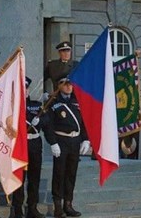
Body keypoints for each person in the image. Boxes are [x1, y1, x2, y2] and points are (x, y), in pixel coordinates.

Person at [43, 77, 89, 218]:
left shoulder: (77, 101)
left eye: (71, 84)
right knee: (59, 173)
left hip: (75, 141)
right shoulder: (53, 103)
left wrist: (86, 139)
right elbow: (48, 125)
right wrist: (53, 142)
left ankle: (68, 205)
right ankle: (58, 206)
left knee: (71, 174)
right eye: (66, 84)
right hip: (61, 140)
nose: (69, 87)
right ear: (59, 85)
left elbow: (84, 122)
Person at [12, 77, 45, 218]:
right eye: (21, 88)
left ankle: (32, 207)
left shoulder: (36, 105)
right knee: (18, 178)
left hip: (34, 144)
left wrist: (41, 119)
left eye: (26, 88)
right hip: (19, 144)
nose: (24, 91)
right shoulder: (11, 106)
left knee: (34, 178)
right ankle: (17, 209)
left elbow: (47, 123)